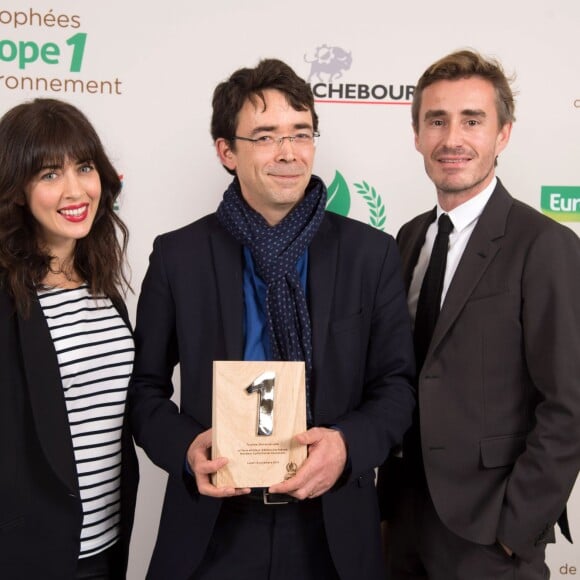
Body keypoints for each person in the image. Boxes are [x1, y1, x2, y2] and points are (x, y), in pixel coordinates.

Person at [129, 58, 416, 580]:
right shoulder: (178, 256)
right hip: (213, 526)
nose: (288, 152)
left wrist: (346, 446)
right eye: (265, 136)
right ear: (226, 151)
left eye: (301, 134)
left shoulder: (369, 254)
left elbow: (396, 387)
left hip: (332, 532)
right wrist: (187, 449)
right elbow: (144, 389)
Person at [378, 49, 580, 579]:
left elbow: (569, 404)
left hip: (488, 537)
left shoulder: (545, 245)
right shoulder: (407, 239)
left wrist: (515, 530)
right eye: (436, 120)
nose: (452, 139)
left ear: (503, 135)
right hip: (399, 522)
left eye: (473, 120)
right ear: (417, 133)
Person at [0, 98, 139, 579]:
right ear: (18, 189)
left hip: (106, 546)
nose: (75, 190)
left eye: (84, 167)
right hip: (27, 555)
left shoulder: (103, 289)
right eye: (48, 174)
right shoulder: (8, 295)